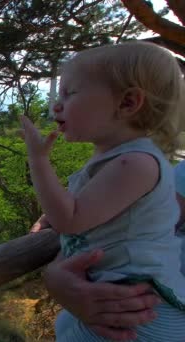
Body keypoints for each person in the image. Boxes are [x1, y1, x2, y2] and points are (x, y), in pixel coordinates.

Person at [20, 42, 185, 341]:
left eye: (70, 94)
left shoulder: (135, 163)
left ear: (127, 103)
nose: (57, 105)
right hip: (122, 304)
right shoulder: (123, 158)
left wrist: (38, 159)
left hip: (137, 317)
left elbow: (69, 219)